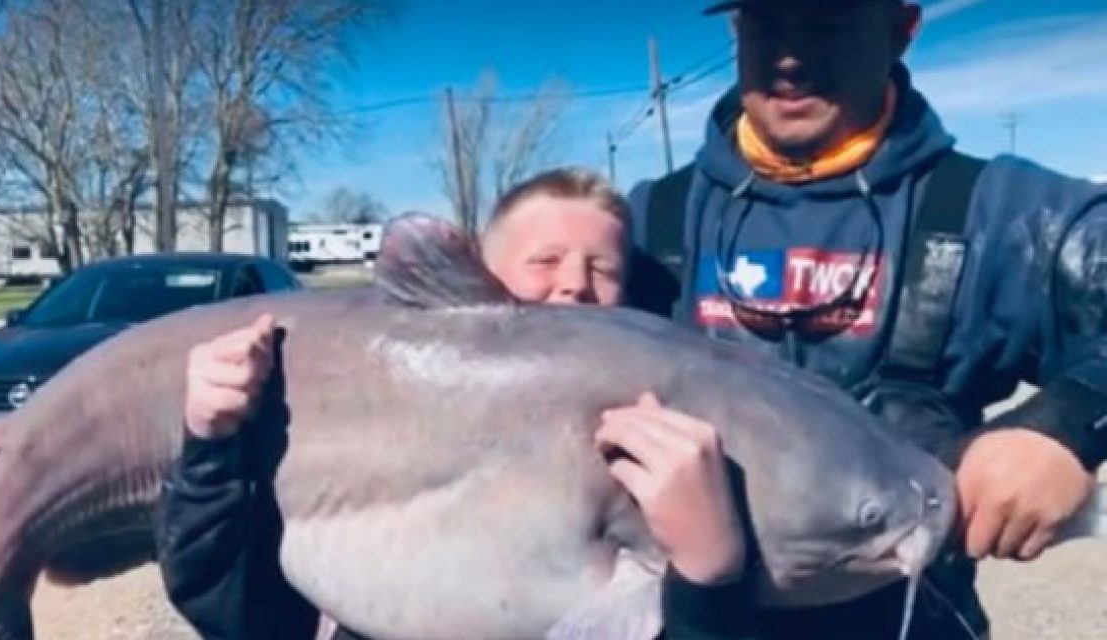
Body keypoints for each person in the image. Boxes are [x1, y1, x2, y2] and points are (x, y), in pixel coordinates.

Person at [625, 0, 1107, 637]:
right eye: (766, 24)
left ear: (900, 31)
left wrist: (1070, 421)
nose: (789, 59)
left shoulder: (1000, 215)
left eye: (825, 22)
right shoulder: (650, 223)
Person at [154, 167, 750, 639]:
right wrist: (210, 451)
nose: (574, 283)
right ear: (483, 274)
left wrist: (707, 580)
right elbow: (239, 617)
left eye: (603, 267)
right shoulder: (373, 405)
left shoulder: (656, 445)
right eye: (544, 261)